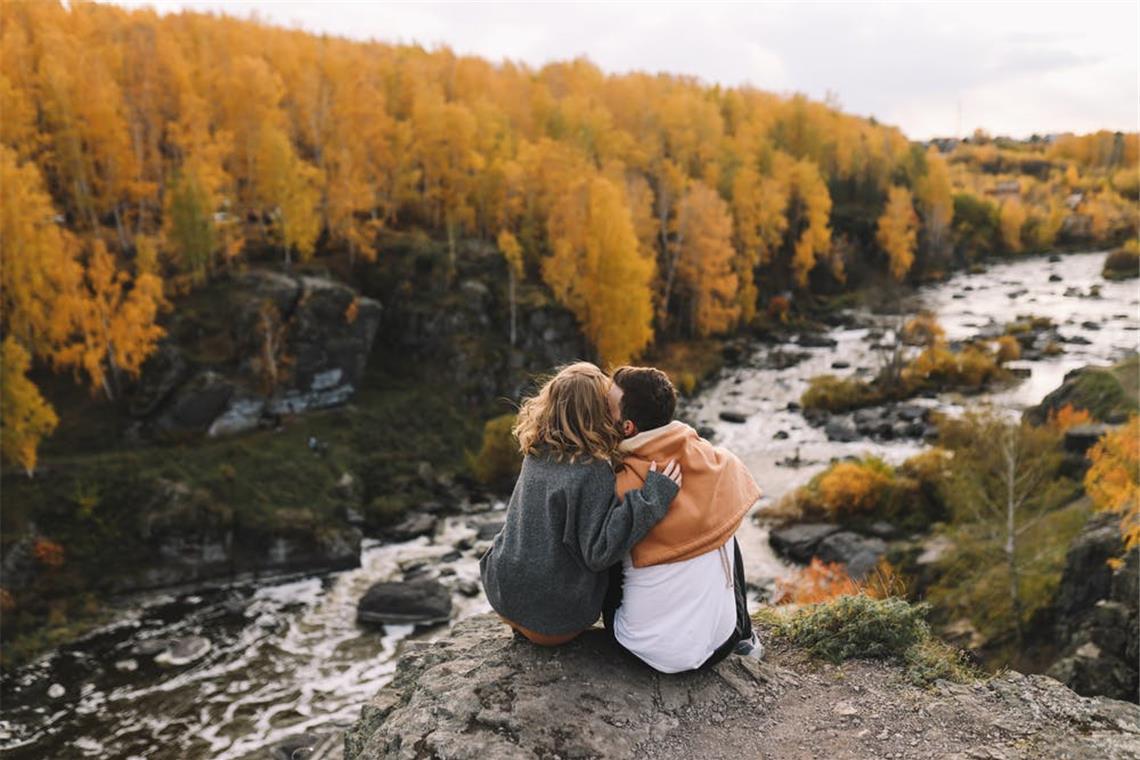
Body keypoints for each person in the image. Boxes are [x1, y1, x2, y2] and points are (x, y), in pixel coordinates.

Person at [479, 362, 683, 646]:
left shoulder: (536, 448)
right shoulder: (592, 468)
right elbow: (600, 552)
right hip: (554, 623)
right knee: (618, 559)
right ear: (597, 412)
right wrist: (651, 498)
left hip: (502, 593)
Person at [602, 365, 763, 673]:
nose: (600, 412)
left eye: (607, 408)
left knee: (610, 542)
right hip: (720, 645)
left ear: (627, 428)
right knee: (723, 522)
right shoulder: (720, 463)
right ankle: (745, 635)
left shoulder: (618, 484)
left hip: (643, 650)